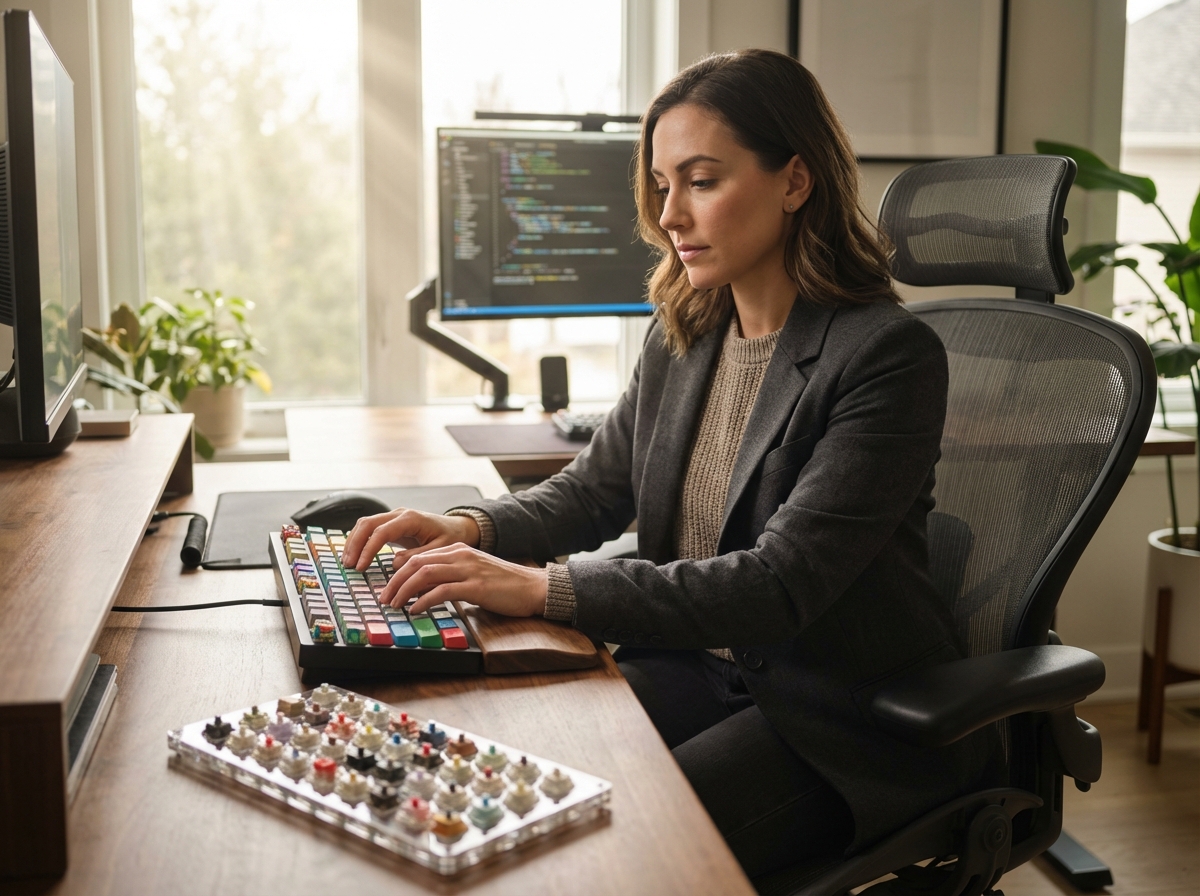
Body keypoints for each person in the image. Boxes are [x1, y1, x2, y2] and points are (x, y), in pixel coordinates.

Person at [343, 49, 999, 879]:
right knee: (511, 787)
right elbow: (594, 491)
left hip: (832, 712)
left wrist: (545, 588)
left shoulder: (886, 356)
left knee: (623, 852)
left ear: (795, 182)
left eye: (702, 180)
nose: (671, 215)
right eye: (662, 184)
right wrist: (471, 526)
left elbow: (774, 587)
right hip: (695, 666)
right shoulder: (685, 330)